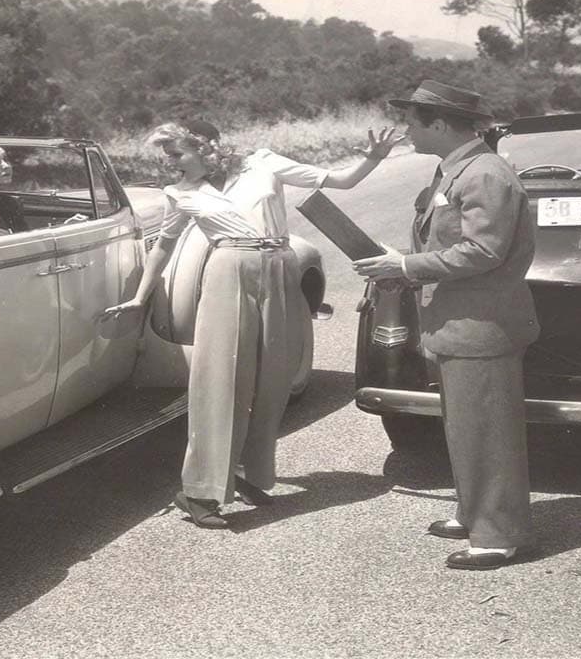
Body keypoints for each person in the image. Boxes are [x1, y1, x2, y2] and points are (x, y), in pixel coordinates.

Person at [102, 119, 405, 528]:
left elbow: (341, 180)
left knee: (274, 377)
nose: (169, 163)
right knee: (221, 380)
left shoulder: (263, 163)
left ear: (206, 145)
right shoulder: (180, 193)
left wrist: (372, 158)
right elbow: (164, 247)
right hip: (229, 269)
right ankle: (199, 492)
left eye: (176, 152)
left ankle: (249, 473)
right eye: (167, 155)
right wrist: (140, 297)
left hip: (279, 266)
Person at [353, 80, 539, 570]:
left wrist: (407, 268)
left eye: (414, 122)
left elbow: (484, 250)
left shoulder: (483, 175)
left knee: (487, 431)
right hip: (458, 322)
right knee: (464, 427)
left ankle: (498, 535)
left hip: (482, 325)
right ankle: (474, 512)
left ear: (439, 123)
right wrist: (403, 263)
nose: (408, 132)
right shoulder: (455, 171)